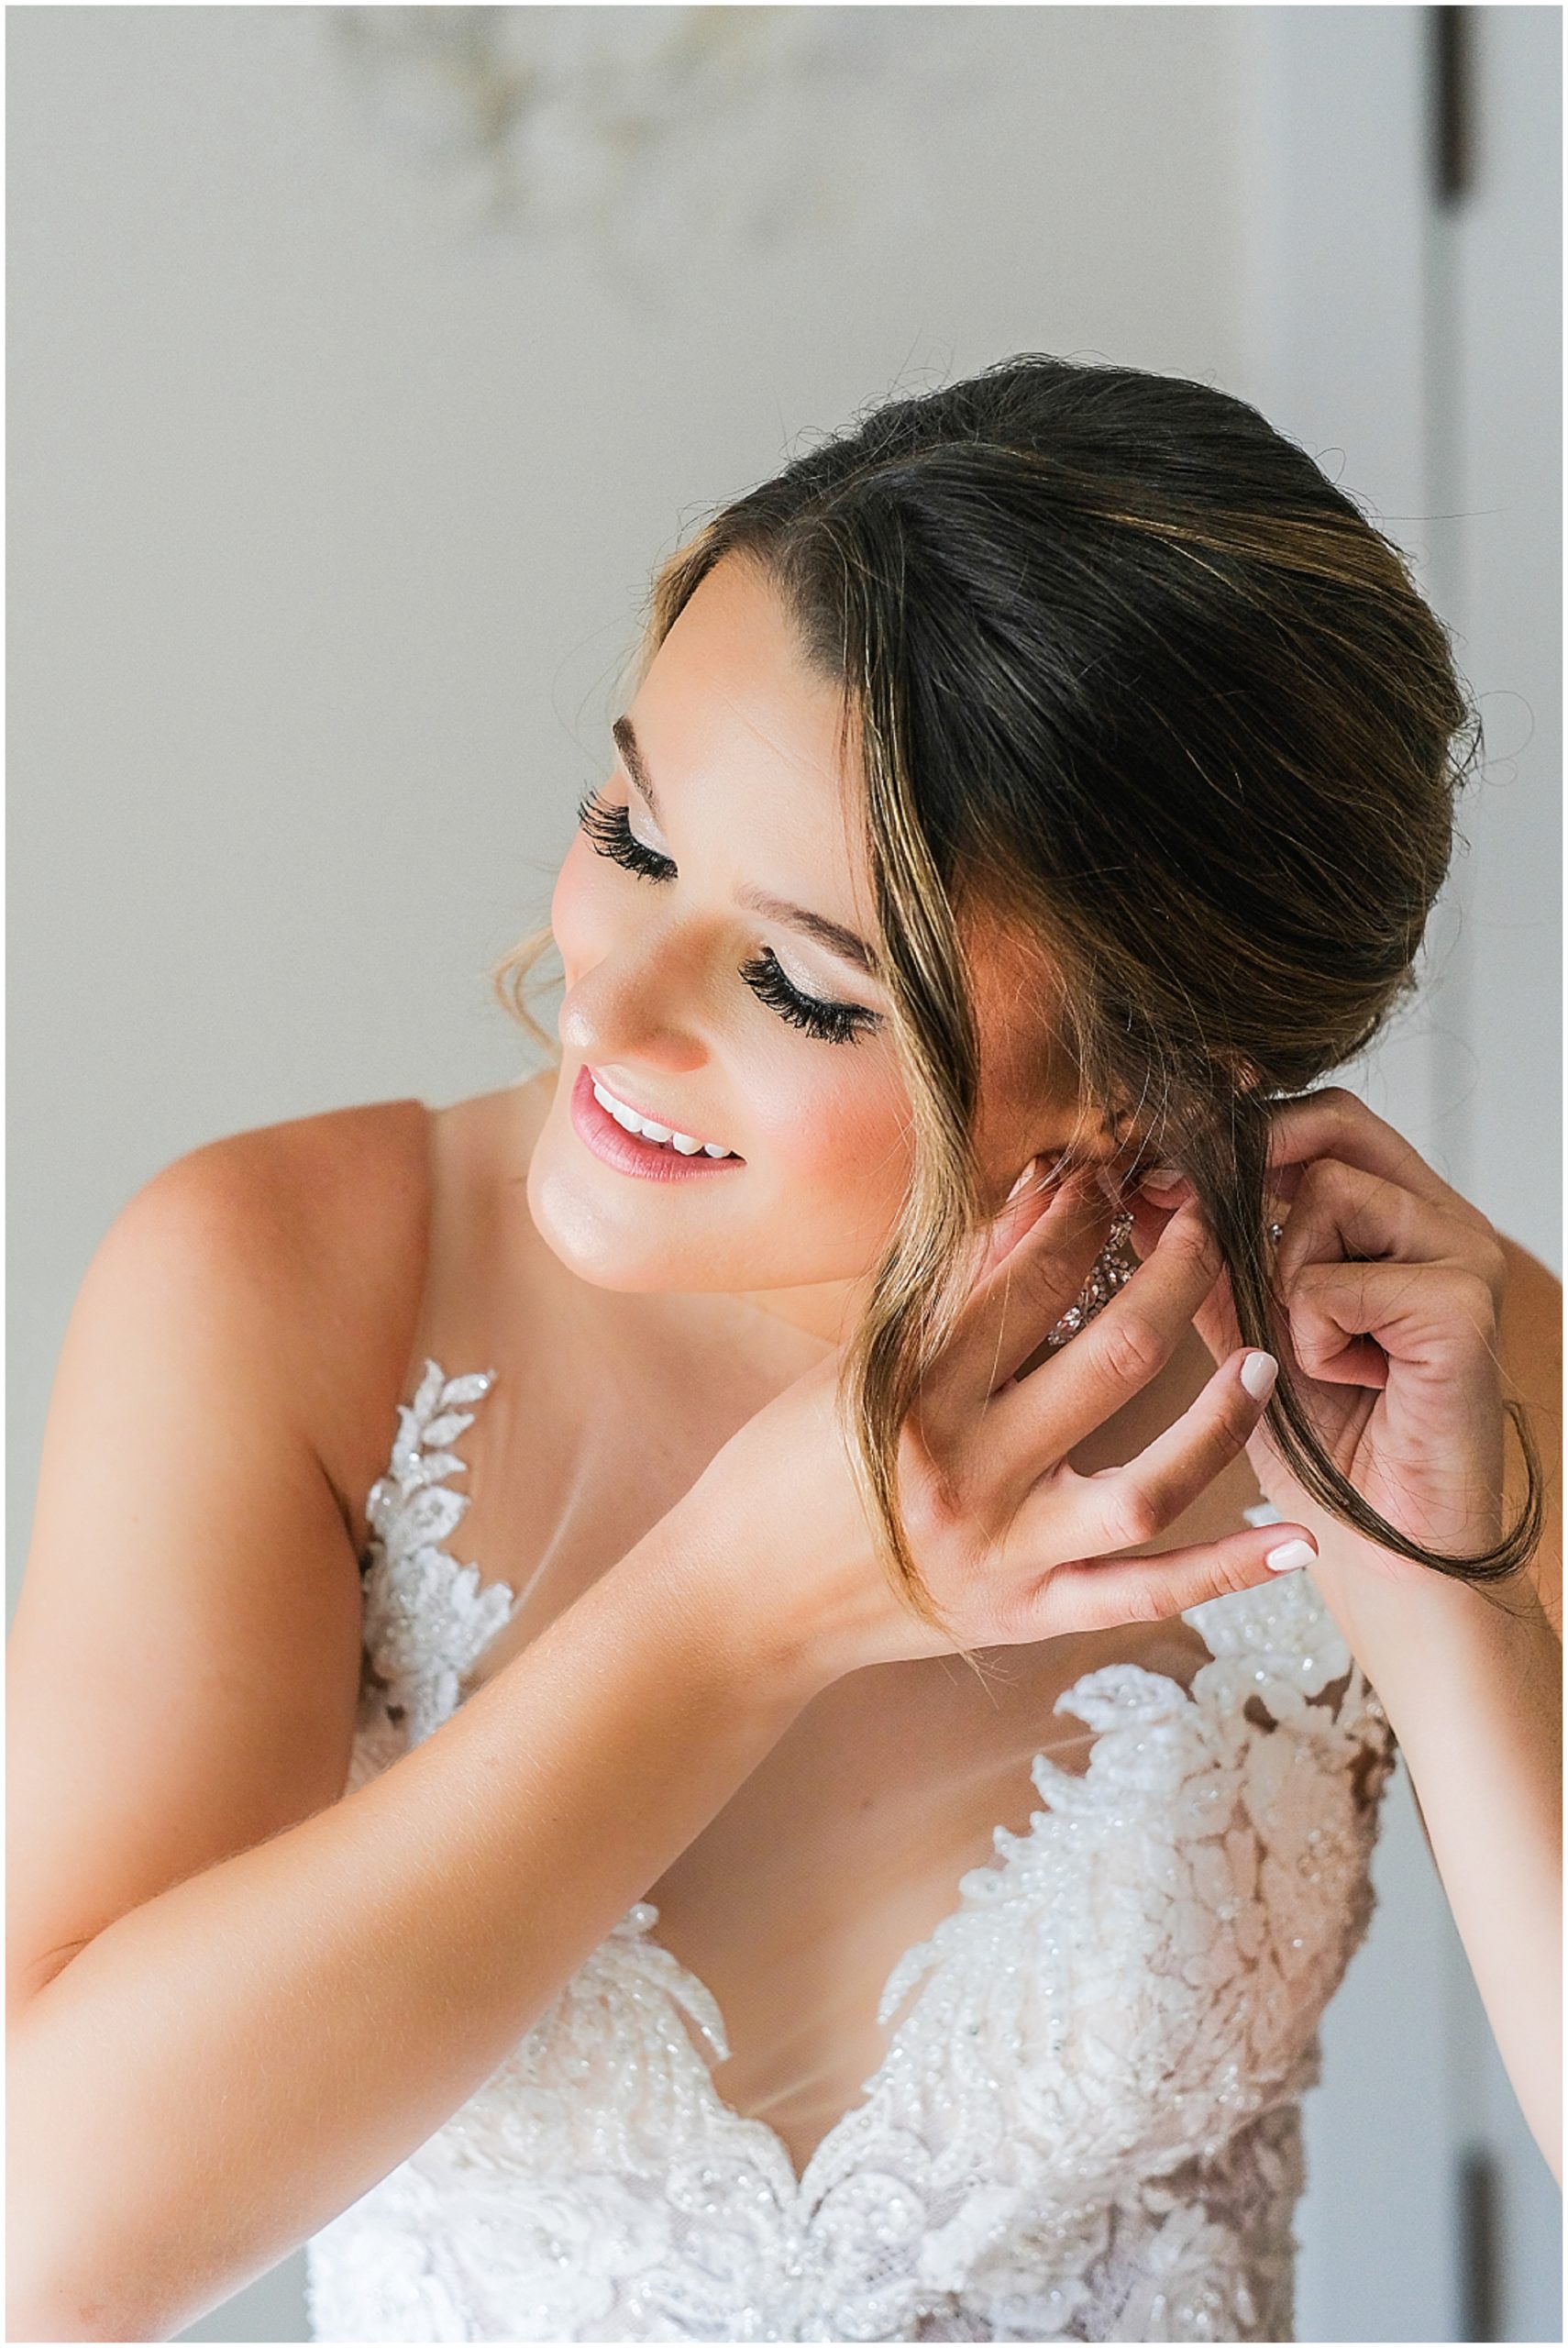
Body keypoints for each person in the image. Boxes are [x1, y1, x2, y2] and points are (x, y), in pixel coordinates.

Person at [7, 356, 1559, 2345]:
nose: (606, 1004)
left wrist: (1457, 1608)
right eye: (631, 833)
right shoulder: (292, 1277)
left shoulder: (1407, 1365)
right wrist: (742, 1604)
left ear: (1154, 1075)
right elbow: (45, 2241)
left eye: (798, 985)